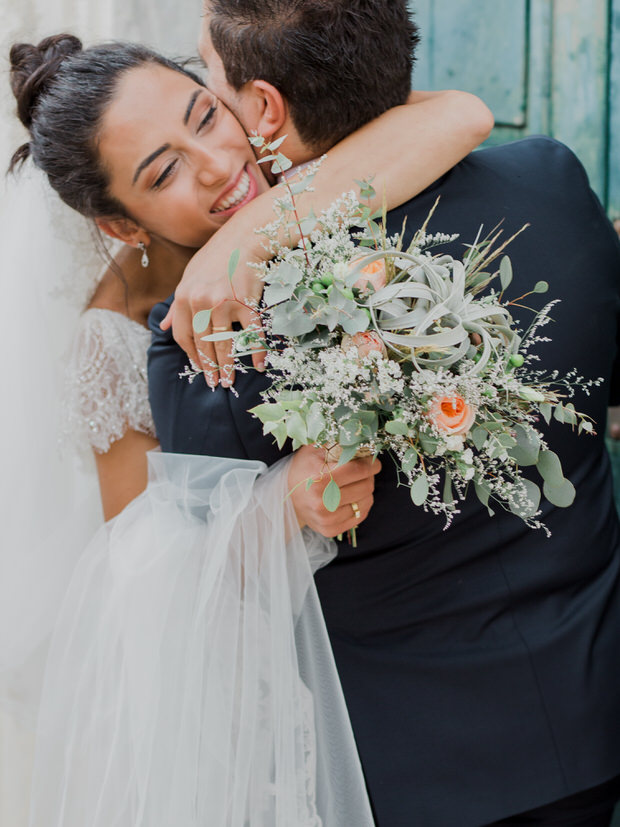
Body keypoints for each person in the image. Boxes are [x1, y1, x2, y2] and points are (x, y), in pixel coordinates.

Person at [147, 1, 620, 825]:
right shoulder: (551, 180)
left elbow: (213, 588)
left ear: (263, 108)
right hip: (599, 708)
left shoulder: (206, 337)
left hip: (417, 774)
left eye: (208, 76)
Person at [5, 32, 491, 825]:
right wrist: (279, 502)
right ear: (125, 227)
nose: (216, 163)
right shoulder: (113, 334)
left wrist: (243, 239)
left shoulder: (276, 165)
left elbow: (461, 113)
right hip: (254, 700)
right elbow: (139, 571)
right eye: (163, 171)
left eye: (206, 114)